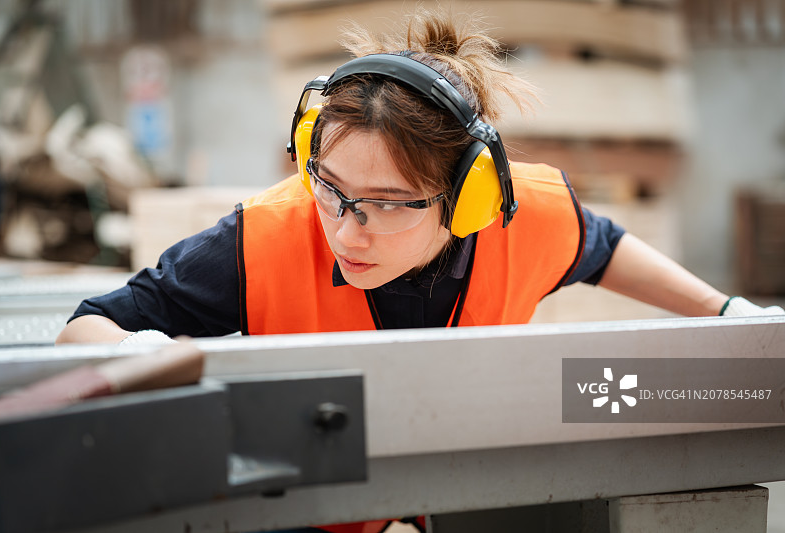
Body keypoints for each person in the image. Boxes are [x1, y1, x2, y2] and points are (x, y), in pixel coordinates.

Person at [56, 8, 783, 532]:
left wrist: (723, 314)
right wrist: (141, 353)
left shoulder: (522, 213)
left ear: (465, 200)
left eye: (387, 203)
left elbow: (604, 243)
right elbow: (87, 326)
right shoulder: (262, 237)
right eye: (331, 187)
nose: (345, 228)